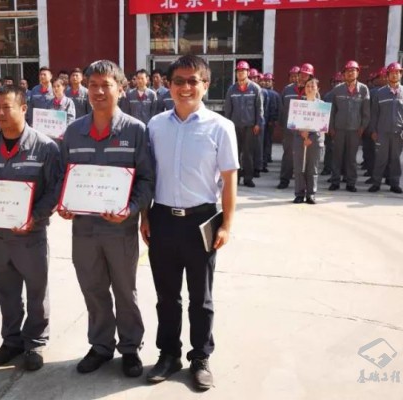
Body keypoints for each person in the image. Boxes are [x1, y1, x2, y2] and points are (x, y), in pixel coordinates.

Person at [141, 55, 237, 391]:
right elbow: (148, 176)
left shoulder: (221, 127)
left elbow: (229, 179)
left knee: (201, 297)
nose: (185, 87)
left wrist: (226, 224)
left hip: (202, 221)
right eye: (178, 81)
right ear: (168, 85)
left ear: (205, 85)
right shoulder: (155, 126)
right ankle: (169, 354)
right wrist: (145, 216)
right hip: (162, 219)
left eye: (193, 81)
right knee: (166, 296)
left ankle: (200, 357)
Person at [58, 60, 155, 378]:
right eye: (93, 85)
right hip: (84, 230)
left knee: (125, 291)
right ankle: (101, 346)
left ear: (121, 89)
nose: (98, 91)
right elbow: (63, 176)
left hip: (120, 229)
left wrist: (132, 210)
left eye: (106, 85)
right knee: (93, 289)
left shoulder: (136, 131)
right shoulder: (74, 132)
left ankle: (130, 347)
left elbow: (146, 179)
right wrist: (64, 204)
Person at [0, 85, 61, 371]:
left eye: (6, 107)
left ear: (24, 109)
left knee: (37, 292)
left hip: (30, 236)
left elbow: (55, 189)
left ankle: (35, 342)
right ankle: (11, 340)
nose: (0, 113)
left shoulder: (45, 147)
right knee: (5, 292)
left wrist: (36, 216)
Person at [368, 62, 403, 194]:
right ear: (387, 75)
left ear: (401, 74)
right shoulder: (380, 93)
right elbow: (374, 113)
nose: (394, 75)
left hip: (398, 132)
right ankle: (376, 183)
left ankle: (395, 183)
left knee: (395, 159)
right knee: (380, 159)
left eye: (397, 73)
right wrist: (373, 130)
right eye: (392, 73)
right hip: (382, 132)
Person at [327, 61, 371, 193]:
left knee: (351, 158)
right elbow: (332, 110)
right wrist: (331, 127)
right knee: (337, 157)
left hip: (355, 130)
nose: (350, 73)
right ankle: (335, 181)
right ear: (344, 74)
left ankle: (351, 182)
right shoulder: (337, 89)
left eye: (353, 70)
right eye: (348, 71)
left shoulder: (363, 89)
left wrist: (362, 127)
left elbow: (366, 112)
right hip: (339, 129)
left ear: (358, 73)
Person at [224, 61, 263, 188]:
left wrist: (258, 124)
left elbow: (259, 108)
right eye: (238, 71)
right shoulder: (231, 89)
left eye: (243, 71)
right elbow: (228, 109)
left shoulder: (255, 89)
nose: (240, 73)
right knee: (234, 153)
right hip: (235, 126)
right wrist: (227, 125)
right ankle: (236, 178)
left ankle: (248, 178)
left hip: (250, 127)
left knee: (248, 153)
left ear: (248, 72)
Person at [277, 63, 312, 189]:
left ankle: (304, 184)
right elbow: (281, 109)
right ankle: (284, 180)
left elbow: (317, 110)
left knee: (306, 157)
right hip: (290, 130)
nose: (302, 77)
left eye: (306, 75)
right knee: (288, 155)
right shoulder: (287, 90)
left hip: (306, 130)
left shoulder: (312, 90)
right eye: (300, 75)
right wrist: (282, 124)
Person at [291, 78, 325, 204]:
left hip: (315, 141)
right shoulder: (298, 104)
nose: (310, 89)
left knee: (312, 169)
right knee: (299, 168)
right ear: (304, 89)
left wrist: (311, 138)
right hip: (299, 140)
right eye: (307, 86)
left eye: (312, 86)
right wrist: (301, 132)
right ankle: (299, 194)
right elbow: (293, 123)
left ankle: (311, 194)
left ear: (317, 89)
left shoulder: (322, 105)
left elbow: (323, 126)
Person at [262, 73, 280, 170]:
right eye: (265, 81)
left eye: (269, 81)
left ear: (272, 82)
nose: (266, 83)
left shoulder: (276, 95)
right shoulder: (260, 92)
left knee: (268, 140)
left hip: (269, 121)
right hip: (262, 121)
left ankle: (267, 157)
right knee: (264, 141)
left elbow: (277, 108)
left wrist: (274, 119)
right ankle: (265, 158)